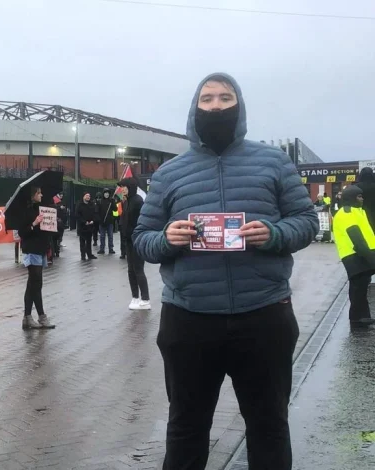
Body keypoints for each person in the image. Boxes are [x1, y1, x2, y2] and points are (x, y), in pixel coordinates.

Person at [132, 73, 318, 469]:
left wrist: (273, 233)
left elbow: (306, 221)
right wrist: (167, 238)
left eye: (225, 97)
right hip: (189, 320)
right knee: (186, 428)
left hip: (263, 315)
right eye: (207, 99)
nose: (216, 106)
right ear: (194, 108)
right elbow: (142, 239)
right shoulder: (169, 173)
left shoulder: (273, 162)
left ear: (239, 105)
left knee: (268, 425)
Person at [332, 185, 375, 327]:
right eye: (358, 196)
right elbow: (356, 238)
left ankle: (361, 316)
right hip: (353, 254)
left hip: (363, 253)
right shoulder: (347, 213)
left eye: (362, 196)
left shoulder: (358, 212)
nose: (361, 199)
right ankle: (357, 318)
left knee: (362, 285)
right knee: (358, 285)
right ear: (350, 197)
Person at [17, 187, 56, 330]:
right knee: (36, 283)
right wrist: (34, 224)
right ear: (33, 195)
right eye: (39, 193)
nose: (41, 195)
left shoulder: (42, 208)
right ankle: (41, 316)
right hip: (31, 250)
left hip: (41, 249)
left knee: (32, 284)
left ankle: (27, 317)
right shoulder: (25, 211)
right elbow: (22, 232)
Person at [119, 178, 150, 310]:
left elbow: (143, 220)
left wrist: (138, 234)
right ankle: (135, 297)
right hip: (128, 240)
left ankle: (145, 299)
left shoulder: (138, 201)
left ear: (130, 187)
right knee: (131, 270)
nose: (122, 189)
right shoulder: (125, 202)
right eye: (122, 187)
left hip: (137, 240)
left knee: (138, 269)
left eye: (124, 187)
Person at [76, 192, 98, 260]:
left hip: (90, 226)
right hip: (82, 226)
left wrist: (93, 220)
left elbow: (95, 213)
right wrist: (84, 222)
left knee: (89, 241)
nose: (88, 197)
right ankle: (83, 255)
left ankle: (89, 254)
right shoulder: (79, 205)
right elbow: (77, 215)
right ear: (83, 197)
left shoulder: (92, 205)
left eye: (89, 196)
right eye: (87, 195)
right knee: (82, 241)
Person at [96, 188, 117, 255]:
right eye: (105, 193)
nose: (107, 194)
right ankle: (102, 249)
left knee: (110, 235)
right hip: (102, 222)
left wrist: (113, 202)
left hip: (109, 222)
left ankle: (111, 248)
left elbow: (115, 209)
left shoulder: (111, 201)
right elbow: (97, 211)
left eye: (108, 193)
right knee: (102, 236)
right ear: (103, 194)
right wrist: (99, 220)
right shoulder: (100, 201)